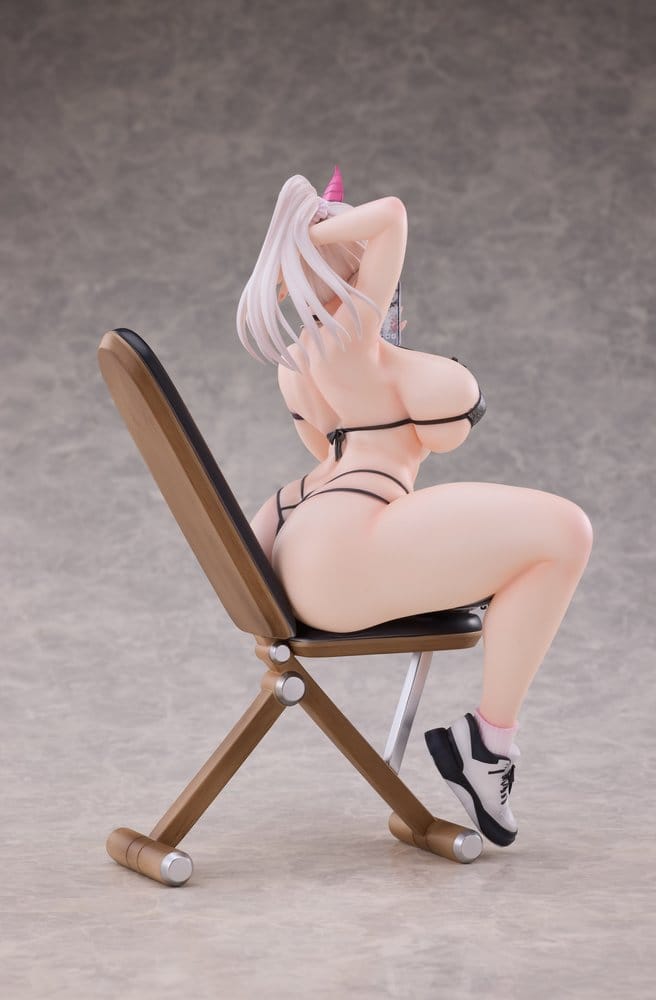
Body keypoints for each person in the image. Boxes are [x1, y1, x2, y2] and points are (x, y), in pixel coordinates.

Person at [236, 168, 593, 848]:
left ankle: (484, 745)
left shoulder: (298, 362)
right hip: (345, 549)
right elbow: (392, 215)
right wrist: (310, 237)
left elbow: (323, 457)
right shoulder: (351, 338)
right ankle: (488, 745)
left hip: (300, 545)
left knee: (537, 540)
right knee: (563, 532)